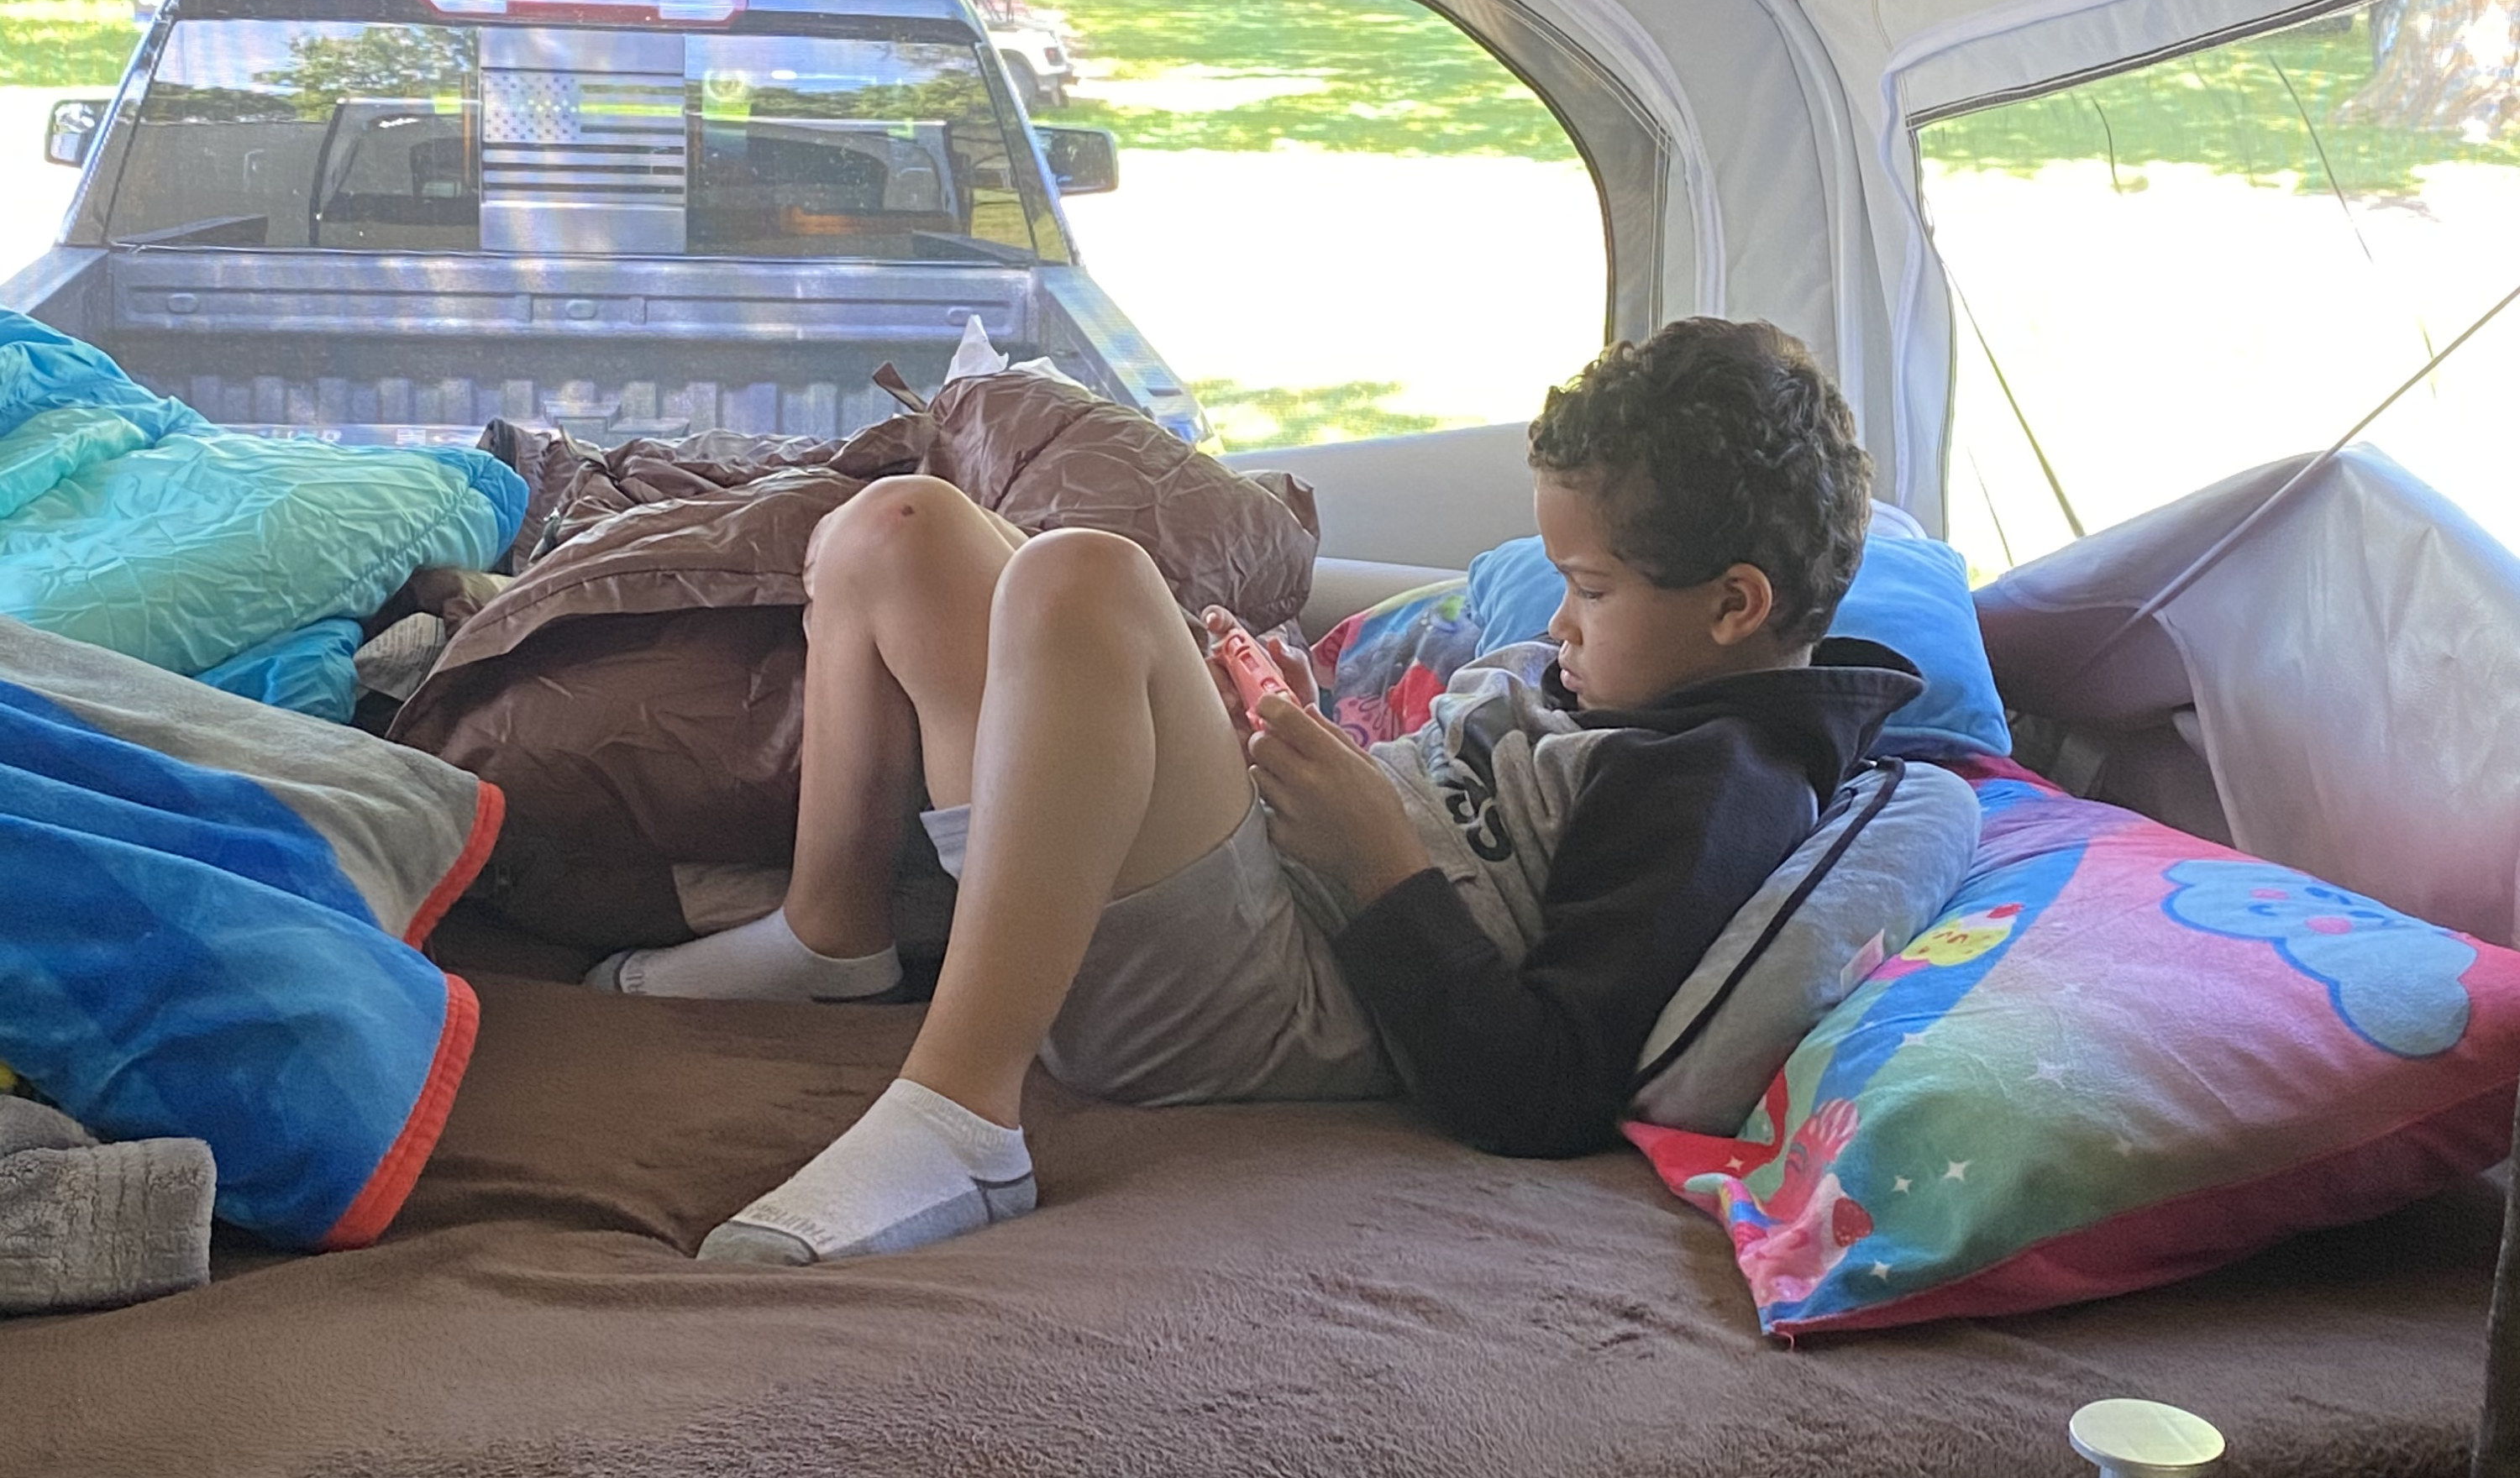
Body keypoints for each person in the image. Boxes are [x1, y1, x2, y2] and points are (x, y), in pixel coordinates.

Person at [588, 317, 1922, 1265]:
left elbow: (1545, 1091)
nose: (1561, 628)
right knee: (901, 531)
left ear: (1737, 606)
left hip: (1283, 996)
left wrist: (1375, 855)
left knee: (1087, 580)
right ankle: (836, 935)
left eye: (1590, 591)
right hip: (1271, 888)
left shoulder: (1716, 784)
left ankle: (958, 1120)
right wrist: (1278, 722)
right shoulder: (1627, 680)